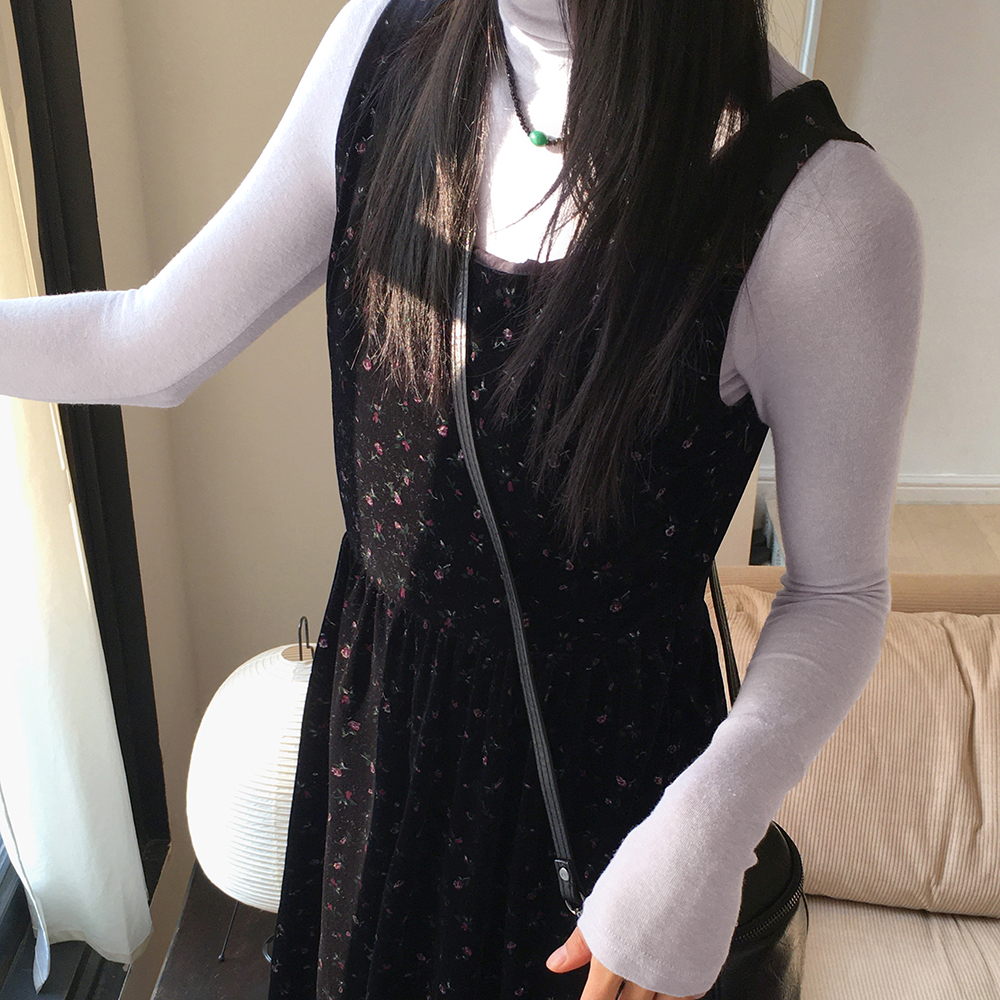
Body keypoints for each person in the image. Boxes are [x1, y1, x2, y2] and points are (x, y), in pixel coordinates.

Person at [0, 0, 923, 996]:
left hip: (610, 791)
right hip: (379, 727)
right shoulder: (386, 44)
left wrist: (706, 830)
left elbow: (837, 592)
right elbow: (149, 344)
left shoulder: (823, 211)